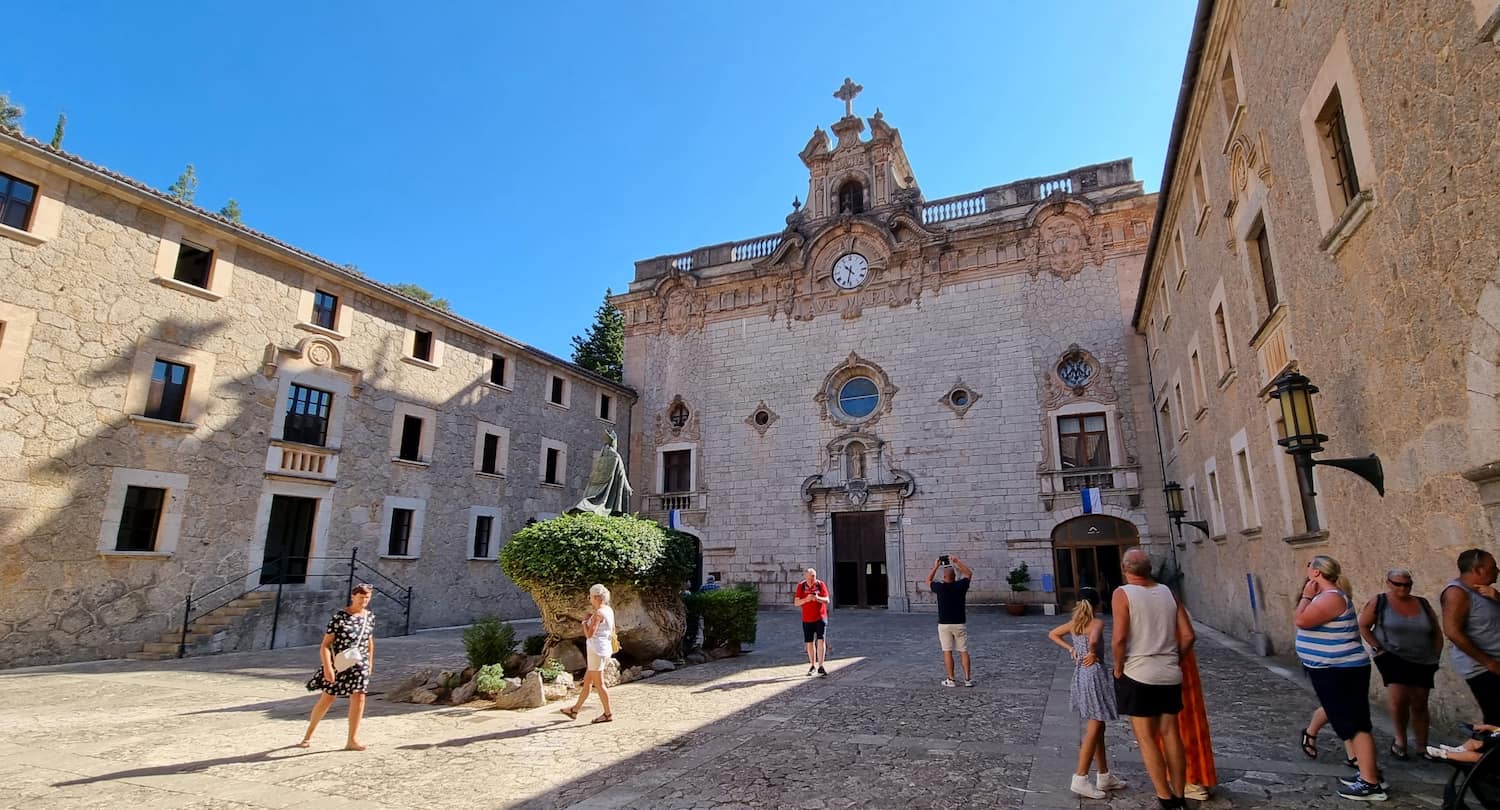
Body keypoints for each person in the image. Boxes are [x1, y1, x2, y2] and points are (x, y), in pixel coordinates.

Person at [1295, 555, 1385, 801]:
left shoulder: (1332, 597)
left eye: (1308, 565)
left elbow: (1301, 620)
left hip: (1340, 669)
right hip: (1332, 668)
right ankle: (1366, 773)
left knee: (1355, 724)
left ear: (1315, 573)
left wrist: (1305, 596)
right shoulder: (1329, 596)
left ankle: (1370, 782)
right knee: (1348, 722)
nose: (1306, 569)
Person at [1111, 547, 1194, 810]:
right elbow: (1189, 635)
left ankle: (1165, 797)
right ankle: (1180, 794)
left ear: (1125, 570)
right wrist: (1174, 658)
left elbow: (1120, 638)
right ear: (1150, 570)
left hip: (1138, 673)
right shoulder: (1169, 593)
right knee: (1171, 734)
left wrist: (1117, 667)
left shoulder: (1123, 593)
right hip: (1170, 673)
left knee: (1147, 738)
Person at [1047, 586, 1126, 799]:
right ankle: (1080, 777)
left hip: (1081, 673)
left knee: (1099, 725)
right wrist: (1092, 651)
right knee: (1095, 725)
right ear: (1097, 604)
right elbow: (1094, 638)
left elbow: (1053, 634)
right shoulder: (1097, 623)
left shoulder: (1075, 624)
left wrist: (1071, 649)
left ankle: (1104, 774)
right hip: (1095, 673)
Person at [1359, 566, 1443, 760]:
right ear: (1389, 583)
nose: (1403, 588)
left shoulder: (1422, 604)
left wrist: (1436, 654)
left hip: (1423, 658)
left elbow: (1436, 631)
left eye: (1407, 585)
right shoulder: (1379, 602)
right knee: (1399, 699)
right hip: (1392, 656)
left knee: (1420, 701)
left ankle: (1422, 745)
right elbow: (1364, 625)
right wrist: (1377, 648)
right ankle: (1400, 740)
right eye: (1398, 584)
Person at [300, 583, 375, 750]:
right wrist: (328, 667)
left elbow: (369, 640)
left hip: (359, 663)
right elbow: (325, 645)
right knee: (328, 698)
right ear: (353, 596)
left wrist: (370, 662)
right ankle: (308, 735)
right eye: (361, 597)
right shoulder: (339, 617)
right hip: (340, 664)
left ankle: (352, 740)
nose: (364, 601)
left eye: (367, 598)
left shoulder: (369, 617)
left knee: (359, 697)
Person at [1443, 549, 1500, 726]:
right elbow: (1452, 632)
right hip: (1484, 669)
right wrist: (1489, 663)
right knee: (1496, 721)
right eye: (1493, 567)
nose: (1497, 571)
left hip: (1494, 664)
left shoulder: (1487, 592)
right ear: (1478, 570)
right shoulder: (1457, 593)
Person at [562, 584, 616, 723]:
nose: (589, 599)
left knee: (599, 684)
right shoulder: (607, 610)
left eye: (590, 596)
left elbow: (589, 634)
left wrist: (585, 622)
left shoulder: (598, 613)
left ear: (596, 597)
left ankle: (608, 714)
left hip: (596, 651)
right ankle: (575, 709)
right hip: (602, 649)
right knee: (587, 682)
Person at [927, 555, 975, 687]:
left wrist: (936, 566)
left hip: (944, 624)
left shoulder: (940, 588)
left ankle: (951, 679)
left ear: (944, 578)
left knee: (947, 651)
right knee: (963, 650)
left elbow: (928, 580)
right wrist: (956, 561)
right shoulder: (961, 585)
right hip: (959, 623)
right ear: (955, 577)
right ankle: (967, 679)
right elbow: (969, 574)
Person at [1177, 646, 1217, 801]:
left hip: (1166, 661)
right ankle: (1199, 776)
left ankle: (1191, 778)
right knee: (1188, 718)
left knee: (1177, 724)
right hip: (1179, 661)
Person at [794, 568, 830, 677]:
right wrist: (807, 599)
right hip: (807, 618)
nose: (811, 580)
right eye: (809, 577)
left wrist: (817, 598)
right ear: (805, 577)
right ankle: (812, 665)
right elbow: (796, 602)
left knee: (821, 640)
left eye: (813, 577)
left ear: (815, 576)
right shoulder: (801, 586)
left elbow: (827, 600)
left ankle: (821, 666)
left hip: (820, 617)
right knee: (809, 642)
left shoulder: (820, 584)